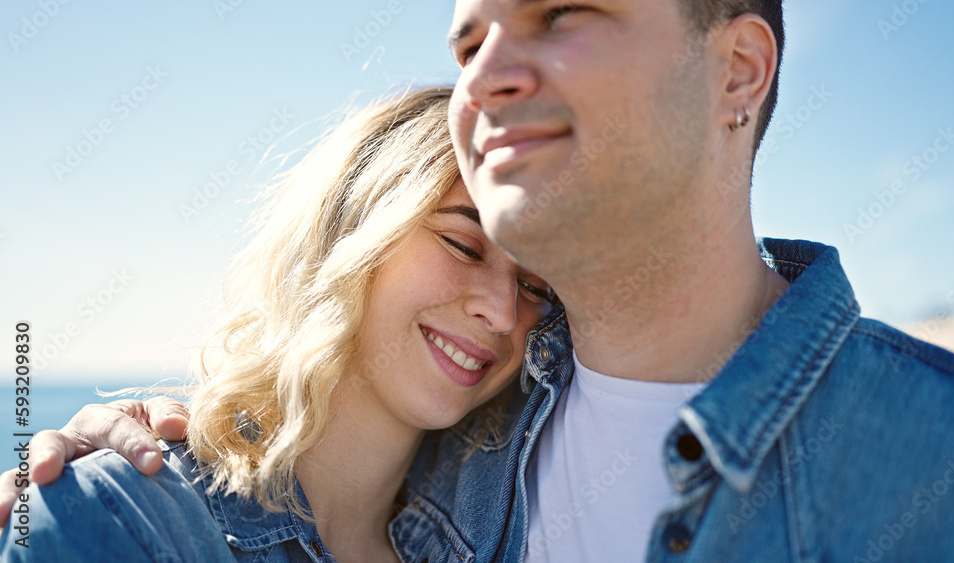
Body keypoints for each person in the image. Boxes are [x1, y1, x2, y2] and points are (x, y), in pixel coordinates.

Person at [6, 1, 954, 561]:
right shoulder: (135, 512)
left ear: (739, 70)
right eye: (470, 41)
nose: (484, 78)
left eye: (562, 12)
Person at [0, 86, 554, 562]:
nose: (503, 312)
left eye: (535, 287)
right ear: (352, 229)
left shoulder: (524, 530)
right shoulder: (124, 519)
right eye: (462, 245)